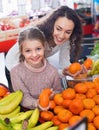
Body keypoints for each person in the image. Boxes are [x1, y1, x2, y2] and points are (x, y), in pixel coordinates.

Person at [6, 6, 84, 78]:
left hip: (32, 67)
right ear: (51, 24)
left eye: (68, 32)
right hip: (13, 65)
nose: (61, 36)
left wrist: (74, 70)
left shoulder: (66, 40)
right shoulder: (36, 34)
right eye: (58, 29)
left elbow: (64, 64)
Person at [10, 27, 63, 110]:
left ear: (44, 47)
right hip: (26, 114)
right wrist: (37, 103)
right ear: (22, 51)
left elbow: (59, 91)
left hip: (49, 112)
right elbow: (23, 97)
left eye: (38, 49)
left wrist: (53, 95)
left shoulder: (52, 71)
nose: (34, 55)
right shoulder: (16, 72)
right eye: (28, 51)